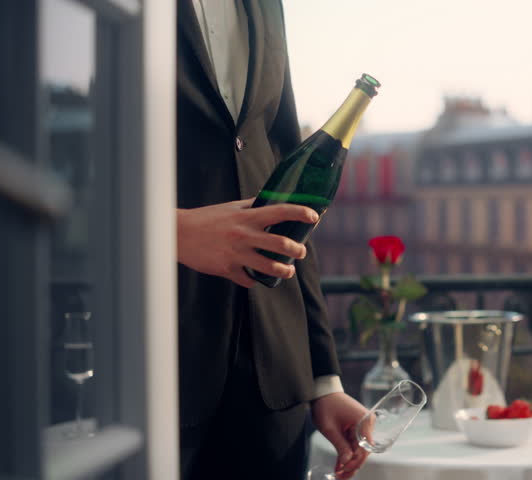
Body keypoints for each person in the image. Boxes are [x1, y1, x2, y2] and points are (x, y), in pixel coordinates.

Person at [175, 1, 369, 478]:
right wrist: (168, 232)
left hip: (274, 387)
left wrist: (323, 379)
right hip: (150, 365)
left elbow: (295, 196)